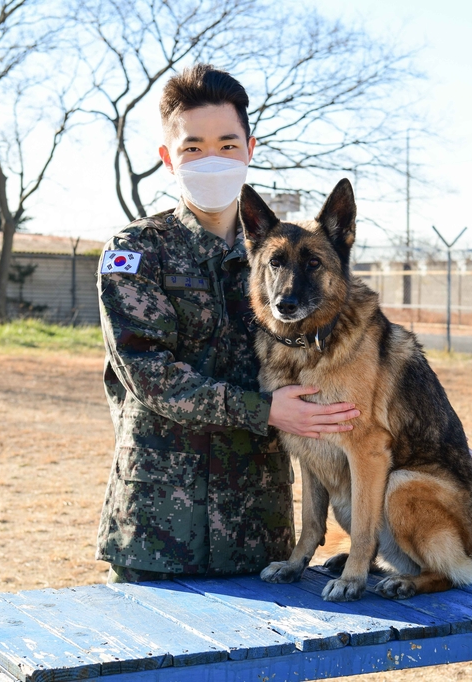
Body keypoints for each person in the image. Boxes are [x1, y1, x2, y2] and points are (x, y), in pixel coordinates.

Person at [96, 63, 361, 583]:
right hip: (157, 530)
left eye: (226, 144)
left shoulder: (290, 261)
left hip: (260, 531)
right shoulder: (135, 252)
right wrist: (265, 411)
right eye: (193, 148)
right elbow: (148, 373)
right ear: (168, 158)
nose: (211, 159)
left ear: (249, 149)